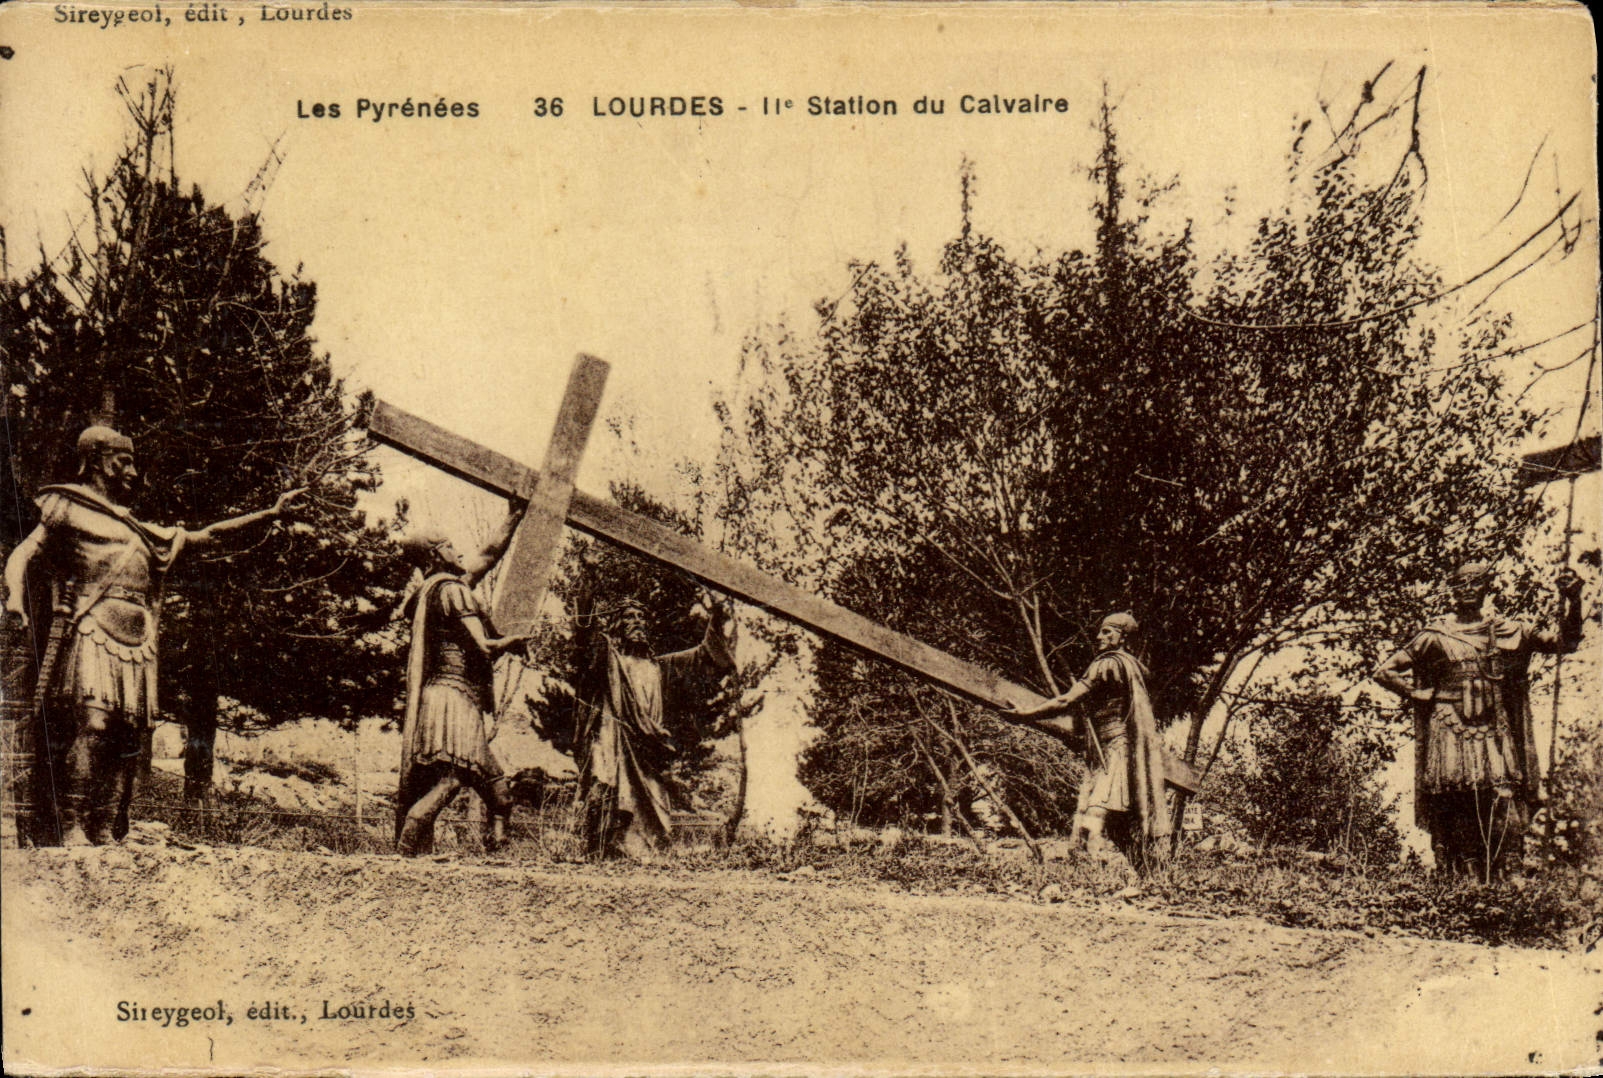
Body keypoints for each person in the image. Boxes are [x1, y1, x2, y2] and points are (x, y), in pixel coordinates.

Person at [2, 425, 302, 846]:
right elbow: (24, 554)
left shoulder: (139, 530)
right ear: (100, 460)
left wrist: (270, 513)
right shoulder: (66, 505)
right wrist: (13, 598)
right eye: (124, 461)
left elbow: (207, 537)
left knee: (128, 738)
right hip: (93, 629)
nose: (133, 472)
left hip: (138, 642)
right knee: (94, 725)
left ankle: (103, 827)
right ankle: (70, 825)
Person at [1373, 561, 1584, 878]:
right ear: (1452, 592)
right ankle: (1463, 871)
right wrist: (1414, 693)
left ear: (1487, 588)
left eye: (1476, 583)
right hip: (1449, 722)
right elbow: (1384, 671)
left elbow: (1564, 643)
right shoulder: (1435, 634)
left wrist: (1573, 600)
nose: (1468, 589)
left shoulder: (1509, 630)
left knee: (1503, 791)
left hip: (1492, 722)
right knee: (1456, 795)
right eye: (1462, 584)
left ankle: (1506, 867)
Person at [570, 565, 737, 860]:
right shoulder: (611, 660)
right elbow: (583, 633)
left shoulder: (661, 666)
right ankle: (600, 852)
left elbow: (704, 656)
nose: (637, 624)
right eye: (629, 618)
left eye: (641, 619)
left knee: (653, 807)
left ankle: (642, 855)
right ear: (618, 627)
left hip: (649, 749)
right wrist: (590, 581)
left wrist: (718, 616)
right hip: (613, 740)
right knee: (607, 792)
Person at [393, 500, 531, 857]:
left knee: (499, 793)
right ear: (437, 555)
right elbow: (484, 647)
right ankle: (405, 850)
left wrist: (514, 517)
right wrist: (511, 642)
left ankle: (497, 850)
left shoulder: (433, 591)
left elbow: (488, 554)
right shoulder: (453, 591)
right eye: (451, 546)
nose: (460, 552)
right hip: (454, 699)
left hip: (443, 697)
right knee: (451, 780)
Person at [1003, 611, 1172, 866]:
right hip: (1116, 748)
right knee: (1117, 826)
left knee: (1094, 813)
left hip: (1116, 749)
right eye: (1101, 631)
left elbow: (1066, 700)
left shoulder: (1107, 663)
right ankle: (1153, 874)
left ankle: (1085, 869)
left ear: (1122, 636)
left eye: (1107, 632)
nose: (1099, 636)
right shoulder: (1132, 667)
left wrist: (1026, 714)